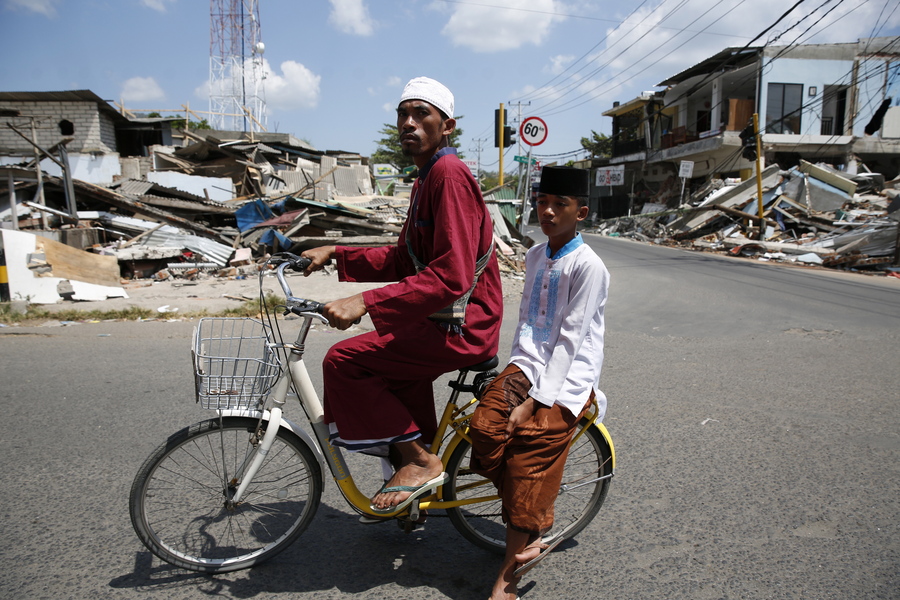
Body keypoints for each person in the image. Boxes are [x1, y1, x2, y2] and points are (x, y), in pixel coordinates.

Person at [301, 76, 503, 515]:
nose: (408, 123)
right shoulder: (427, 177)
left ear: (446, 125)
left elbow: (451, 276)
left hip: (462, 323)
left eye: (421, 114)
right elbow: (405, 260)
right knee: (393, 378)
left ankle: (418, 461)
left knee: (345, 362)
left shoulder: (448, 175)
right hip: (439, 319)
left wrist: (366, 303)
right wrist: (338, 253)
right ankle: (415, 493)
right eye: (402, 114)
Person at [469, 165, 610, 600]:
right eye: (542, 202)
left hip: (568, 376)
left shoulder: (590, 267)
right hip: (527, 364)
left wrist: (534, 401)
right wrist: (513, 375)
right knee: (484, 427)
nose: (547, 211)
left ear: (580, 211)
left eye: (559, 204)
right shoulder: (533, 255)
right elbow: (528, 323)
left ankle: (507, 580)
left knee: (529, 448)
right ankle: (524, 511)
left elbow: (569, 340)